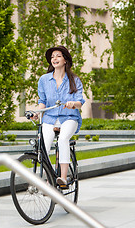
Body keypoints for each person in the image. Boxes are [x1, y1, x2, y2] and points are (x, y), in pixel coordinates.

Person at [34, 45, 85, 188]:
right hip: (50, 117)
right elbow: (42, 101)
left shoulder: (74, 80)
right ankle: (50, 177)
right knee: (43, 146)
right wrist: (37, 114)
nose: (54, 59)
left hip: (69, 117)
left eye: (58, 56)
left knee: (63, 139)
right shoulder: (44, 80)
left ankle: (62, 178)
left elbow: (80, 102)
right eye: (52, 57)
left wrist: (73, 104)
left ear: (65, 60)